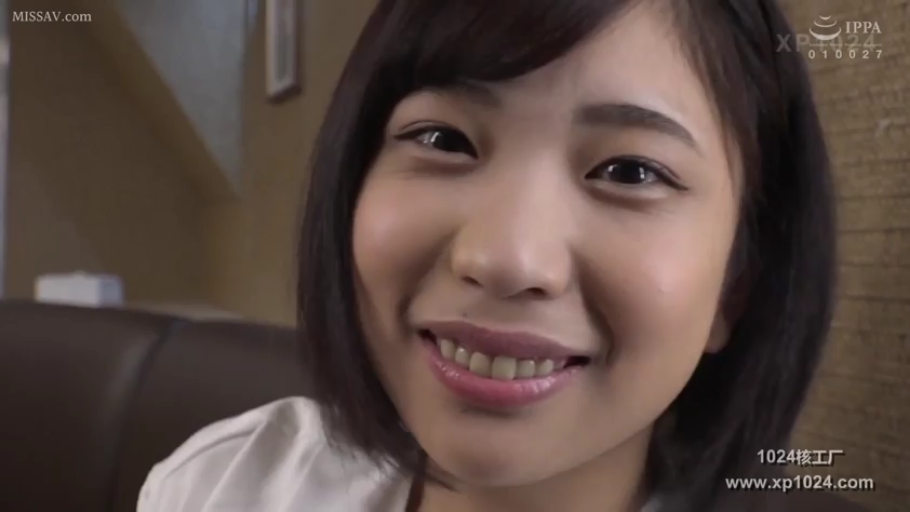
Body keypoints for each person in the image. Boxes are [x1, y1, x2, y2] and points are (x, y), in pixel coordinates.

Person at [137, 1, 853, 511]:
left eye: (631, 171)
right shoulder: (224, 486)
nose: (506, 258)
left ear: (737, 284)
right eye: (443, 139)